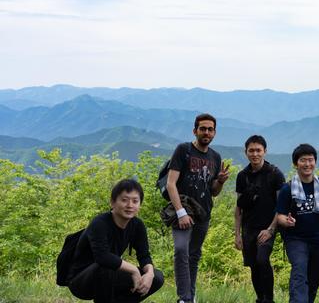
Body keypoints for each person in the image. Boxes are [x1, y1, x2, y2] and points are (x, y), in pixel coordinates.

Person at [165, 113, 230, 303]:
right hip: (182, 209)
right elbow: (171, 184)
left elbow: (214, 192)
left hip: (204, 213)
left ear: (215, 133)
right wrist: (180, 212)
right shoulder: (183, 150)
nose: (206, 132)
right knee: (181, 250)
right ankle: (184, 298)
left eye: (210, 129)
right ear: (195, 131)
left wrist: (220, 181)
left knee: (193, 255)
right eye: (203, 129)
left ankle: (190, 297)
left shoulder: (215, 157)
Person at [68, 179, 164, 302]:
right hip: (81, 281)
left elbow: (144, 255)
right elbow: (102, 257)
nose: (130, 205)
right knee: (106, 267)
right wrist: (134, 270)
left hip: (109, 274)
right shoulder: (99, 223)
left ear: (140, 204)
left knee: (157, 277)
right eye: (124, 200)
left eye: (135, 201)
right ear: (112, 202)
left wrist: (149, 274)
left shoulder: (137, 225)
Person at [276, 143, 319, 303]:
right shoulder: (288, 188)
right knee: (299, 270)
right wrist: (286, 221)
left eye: (310, 160)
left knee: (314, 279)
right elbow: (280, 216)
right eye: (303, 160)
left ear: (315, 162)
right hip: (295, 239)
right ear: (295, 164)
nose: (307, 164)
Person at [234, 135, 286, 303]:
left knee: (262, 259)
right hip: (249, 228)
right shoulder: (243, 176)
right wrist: (237, 234)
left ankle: (269, 299)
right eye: (251, 150)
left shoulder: (275, 173)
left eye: (258, 150)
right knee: (253, 266)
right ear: (246, 152)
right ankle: (260, 298)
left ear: (265, 151)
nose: (255, 154)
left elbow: (281, 205)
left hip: (268, 226)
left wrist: (271, 229)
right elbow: (239, 208)